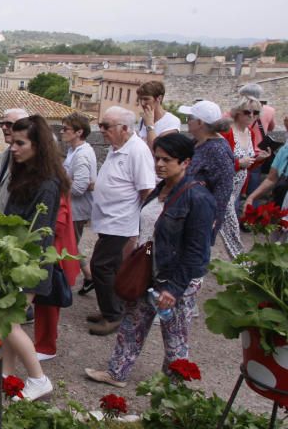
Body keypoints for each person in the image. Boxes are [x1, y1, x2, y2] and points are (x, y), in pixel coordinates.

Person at [85, 133, 217, 388]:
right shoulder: (161, 188)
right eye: (157, 158)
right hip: (149, 270)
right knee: (131, 324)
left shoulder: (198, 198)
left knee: (175, 335)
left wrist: (175, 288)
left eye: (166, 160)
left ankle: (174, 387)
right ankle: (116, 373)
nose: (159, 164)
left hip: (175, 278)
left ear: (186, 162)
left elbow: (196, 250)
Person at [0, 115, 70, 400]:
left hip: (30, 265)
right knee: (8, 321)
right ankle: (6, 374)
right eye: (12, 142)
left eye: (20, 143)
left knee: (6, 321)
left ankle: (39, 379)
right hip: (16, 261)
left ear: (38, 146)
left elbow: (39, 233)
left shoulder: (48, 183)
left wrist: (15, 259)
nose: (13, 148)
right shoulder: (25, 173)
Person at [88, 107, 156, 336]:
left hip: (121, 221)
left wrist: (140, 229)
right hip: (109, 220)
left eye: (106, 126)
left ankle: (112, 315)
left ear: (125, 128)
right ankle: (114, 308)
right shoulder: (118, 148)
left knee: (101, 265)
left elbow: (147, 190)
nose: (102, 131)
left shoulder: (137, 151)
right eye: (101, 126)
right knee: (112, 265)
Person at [181, 100, 235, 245]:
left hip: (199, 219)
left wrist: (211, 221)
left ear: (200, 122)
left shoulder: (217, 150)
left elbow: (224, 189)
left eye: (189, 118)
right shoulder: (198, 142)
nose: (187, 122)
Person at [221, 96, 270, 254]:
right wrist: (238, 164)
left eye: (256, 112)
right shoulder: (228, 131)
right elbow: (217, 162)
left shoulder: (249, 133)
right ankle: (241, 264)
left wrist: (259, 159)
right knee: (231, 227)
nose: (252, 116)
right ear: (237, 112)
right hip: (222, 186)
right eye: (247, 112)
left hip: (237, 189)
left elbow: (248, 165)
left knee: (215, 227)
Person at [61, 112, 97, 294]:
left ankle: (69, 282)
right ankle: (89, 277)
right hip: (74, 208)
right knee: (71, 244)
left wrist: (61, 183)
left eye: (66, 129)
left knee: (68, 245)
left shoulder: (81, 155)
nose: (62, 132)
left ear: (78, 132)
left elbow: (79, 187)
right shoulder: (74, 151)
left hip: (77, 209)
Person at [0, 108, 29, 213]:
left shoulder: (28, 161)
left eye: (9, 124)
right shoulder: (6, 154)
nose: (3, 127)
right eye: (2, 124)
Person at [134, 81, 180, 145]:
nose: (142, 103)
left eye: (146, 99)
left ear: (159, 98)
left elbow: (155, 149)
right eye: (140, 99)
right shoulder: (143, 119)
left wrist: (149, 125)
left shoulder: (171, 122)